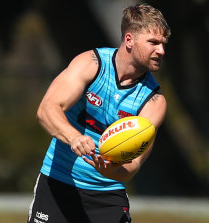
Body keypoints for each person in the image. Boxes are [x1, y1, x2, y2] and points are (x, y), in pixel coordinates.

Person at [27, 3, 171, 223]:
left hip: (106, 195)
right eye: (153, 43)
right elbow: (47, 109)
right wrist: (74, 137)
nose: (161, 51)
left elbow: (132, 167)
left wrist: (110, 169)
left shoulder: (153, 101)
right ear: (129, 40)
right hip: (57, 184)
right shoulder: (92, 64)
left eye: (163, 44)